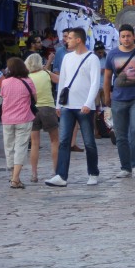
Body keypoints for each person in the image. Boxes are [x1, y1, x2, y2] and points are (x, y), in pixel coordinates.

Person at [45, 27, 102, 187]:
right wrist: (58, 103)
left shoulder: (92, 58)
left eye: (70, 38)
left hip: (84, 106)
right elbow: (63, 81)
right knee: (64, 141)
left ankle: (93, 172)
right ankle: (61, 175)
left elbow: (94, 83)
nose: (66, 40)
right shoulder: (67, 58)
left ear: (78, 40)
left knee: (89, 141)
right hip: (67, 105)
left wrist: (88, 103)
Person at [103, 24, 135, 180]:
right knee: (121, 134)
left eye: (128, 36)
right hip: (118, 98)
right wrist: (106, 96)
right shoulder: (112, 54)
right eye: (123, 36)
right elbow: (107, 77)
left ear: (133, 36)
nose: (126, 39)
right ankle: (125, 167)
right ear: (119, 37)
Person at [0, 57, 36, 189]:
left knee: (9, 147)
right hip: (24, 118)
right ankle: (15, 178)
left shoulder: (5, 82)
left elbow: (3, 96)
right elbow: (34, 98)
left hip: (7, 118)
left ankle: (14, 177)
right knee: (21, 147)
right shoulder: (28, 81)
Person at [26, 53, 59, 183]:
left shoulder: (27, 77)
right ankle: (55, 170)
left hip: (33, 109)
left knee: (34, 143)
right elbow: (60, 79)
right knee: (54, 141)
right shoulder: (46, 73)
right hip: (48, 107)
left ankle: (34, 173)